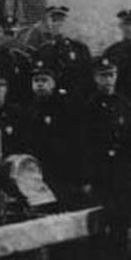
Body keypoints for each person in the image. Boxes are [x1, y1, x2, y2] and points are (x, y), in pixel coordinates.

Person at [80, 56, 131, 260]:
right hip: (100, 172)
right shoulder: (88, 108)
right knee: (99, 223)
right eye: (103, 76)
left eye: (111, 75)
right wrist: (87, 179)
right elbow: (85, 145)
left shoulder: (126, 107)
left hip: (121, 171)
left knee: (121, 223)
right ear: (95, 78)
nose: (108, 81)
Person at [21, 57, 82, 203]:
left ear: (53, 83)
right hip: (39, 170)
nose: (40, 84)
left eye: (44, 80)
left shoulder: (64, 107)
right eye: (36, 81)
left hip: (63, 168)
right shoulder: (28, 110)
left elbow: (77, 139)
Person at [24, 5, 93, 104]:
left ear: (67, 24)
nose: (57, 24)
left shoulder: (79, 49)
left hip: (75, 98)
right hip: (52, 99)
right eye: (54, 20)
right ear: (49, 24)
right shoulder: (44, 50)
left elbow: (87, 75)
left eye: (61, 21)